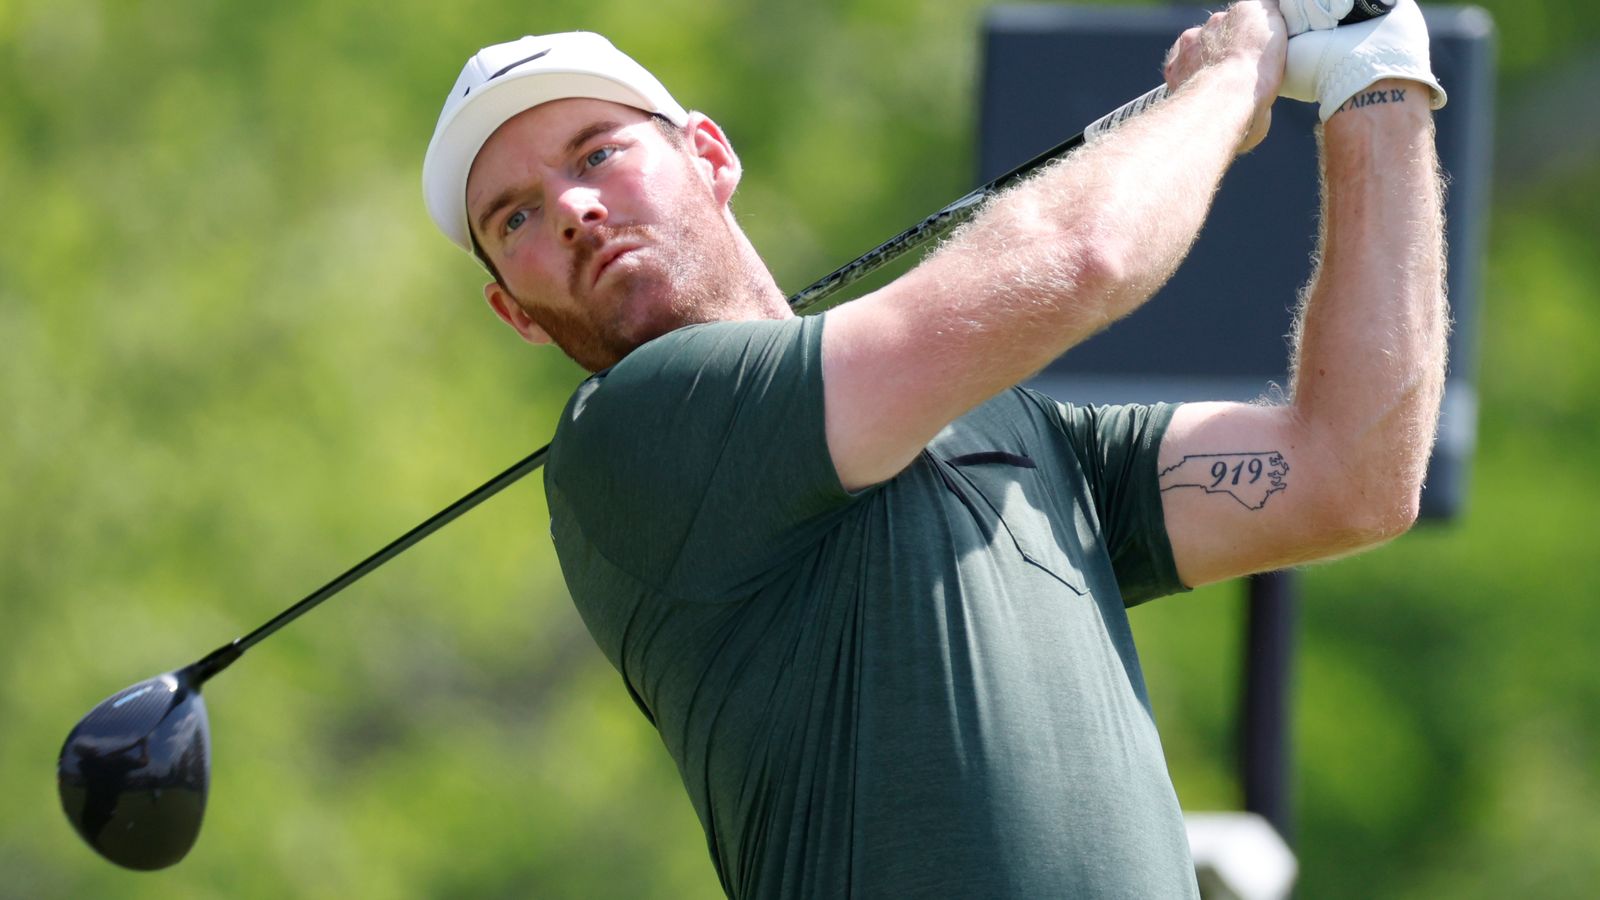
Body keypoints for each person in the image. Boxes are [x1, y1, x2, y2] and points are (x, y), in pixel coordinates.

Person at [420, 1, 1448, 895]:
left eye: (596, 152)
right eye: (515, 216)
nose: (573, 209)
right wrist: (1228, 82)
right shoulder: (634, 435)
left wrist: (1378, 78)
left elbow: (1348, 477)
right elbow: (1080, 257)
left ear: (710, 154)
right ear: (515, 314)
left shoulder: (1012, 424)